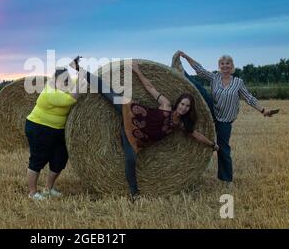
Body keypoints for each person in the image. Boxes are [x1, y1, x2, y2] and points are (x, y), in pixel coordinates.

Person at [69, 57, 218, 200]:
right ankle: (78, 68)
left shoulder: (181, 125)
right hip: (132, 112)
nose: (183, 108)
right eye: (182, 104)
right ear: (178, 103)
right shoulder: (165, 104)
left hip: (136, 137)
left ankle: (134, 194)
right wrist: (137, 70)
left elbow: (196, 135)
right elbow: (150, 87)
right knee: (108, 93)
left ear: (189, 109)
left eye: (187, 106)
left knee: (130, 160)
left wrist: (212, 144)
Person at [176, 51, 276, 186]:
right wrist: (186, 57)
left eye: (227, 63)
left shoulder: (238, 82)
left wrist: (263, 110)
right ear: (219, 66)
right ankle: (181, 72)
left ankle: (227, 179)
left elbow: (249, 98)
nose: (225, 66)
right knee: (199, 89)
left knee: (223, 148)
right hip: (212, 111)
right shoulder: (215, 78)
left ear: (232, 66)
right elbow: (199, 70)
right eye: (222, 64)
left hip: (224, 120)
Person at [25, 66, 78, 200]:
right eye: (64, 81)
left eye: (68, 80)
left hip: (58, 130)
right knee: (38, 159)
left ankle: (48, 189)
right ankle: (32, 193)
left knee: (59, 159)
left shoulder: (65, 86)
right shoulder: (50, 92)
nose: (67, 83)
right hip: (39, 128)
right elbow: (72, 99)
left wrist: (82, 72)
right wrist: (82, 79)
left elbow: (79, 82)